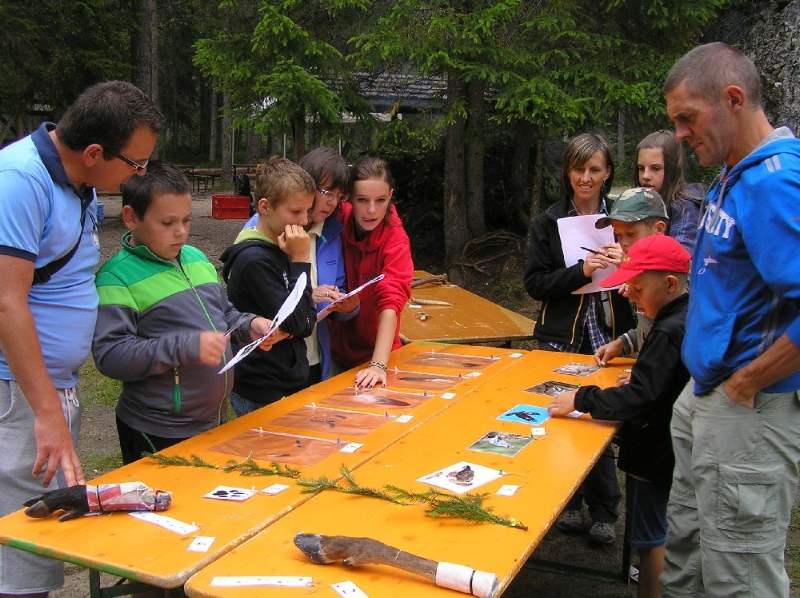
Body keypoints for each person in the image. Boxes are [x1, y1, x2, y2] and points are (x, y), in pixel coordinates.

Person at [0, 81, 162, 597]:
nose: (140, 174)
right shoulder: (19, 181)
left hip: (50, 387)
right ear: (94, 153)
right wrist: (46, 412)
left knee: (41, 532)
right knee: (18, 546)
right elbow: (7, 302)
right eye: (136, 164)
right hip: (19, 392)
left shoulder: (78, 181)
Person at [661, 42, 800, 597]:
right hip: (708, 395)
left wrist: (747, 383)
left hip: (747, 410)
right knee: (688, 556)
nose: (679, 134)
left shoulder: (773, 183)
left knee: (739, 579)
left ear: (733, 100)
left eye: (687, 118)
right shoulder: (734, 174)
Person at [91, 162, 276, 464]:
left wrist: (249, 325)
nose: (180, 232)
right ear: (131, 217)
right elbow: (112, 356)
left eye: (186, 220)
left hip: (213, 421)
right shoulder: (116, 278)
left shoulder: (195, 257)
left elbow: (224, 314)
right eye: (167, 223)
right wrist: (186, 347)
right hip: (158, 429)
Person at [548, 234, 691, 598]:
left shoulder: (668, 330)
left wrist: (581, 398)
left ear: (670, 285)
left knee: (651, 539)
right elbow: (660, 381)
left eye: (638, 288)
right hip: (668, 448)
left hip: (655, 454)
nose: (629, 294)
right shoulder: (682, 316)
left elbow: (639, 397)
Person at [523, 133, 636, 546]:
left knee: (598, 420)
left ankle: (604, 510)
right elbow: (535, 284)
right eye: (578, 169)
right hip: (560, 340)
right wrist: (581, 271)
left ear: (607, 173)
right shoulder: (548, 221)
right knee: (560, 419)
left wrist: (629, 264)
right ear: (567, 172)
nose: (585, 178)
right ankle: (568, 503)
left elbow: (650, 275)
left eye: (594, 169)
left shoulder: (624, 219)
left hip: (609, 338)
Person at [242, 148, 359, 385]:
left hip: (314, 358)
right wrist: (308, 296)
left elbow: (338, 289)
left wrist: (348, 306)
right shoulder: (266, 229)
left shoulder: (332, 233)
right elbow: (252, 300)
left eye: (339, 196)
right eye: (326, 192)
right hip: (271, 367)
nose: (332, 202)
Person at [220, 157, 316, 416]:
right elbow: (300, 322)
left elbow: (307, 316)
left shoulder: (282, 247)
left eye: (307, 211)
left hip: (286, 379)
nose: (304, 220)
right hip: (260, 388)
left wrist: (295, 325)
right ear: (265, 206)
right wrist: (301, 261)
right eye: (295, 212)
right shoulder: (254, 260)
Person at [328, 156, 414, 389]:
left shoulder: (396, 241)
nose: (372, 210)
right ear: (349, 198)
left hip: (379, 356)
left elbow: (391, 301)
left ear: (391, 196)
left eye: (381, 200)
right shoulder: (336, 220)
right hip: (334, 351)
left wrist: (378, 365)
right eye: (362, 200)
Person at [592, 187, 669, 368]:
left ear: (658, 229)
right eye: (618, 235)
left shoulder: (670, 274)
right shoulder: (642, 270)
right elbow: (651, 327)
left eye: (631, 234)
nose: (624, 243)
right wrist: (623, 343)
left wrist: (648, 376)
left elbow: (674, 334)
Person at [633, 130, 702, 255]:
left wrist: (630, 258)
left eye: (655, 168)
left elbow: (680, 258)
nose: (645, 176)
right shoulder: (639, 202)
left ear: (672, 170)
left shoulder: (684, 207)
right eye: (641, 168)